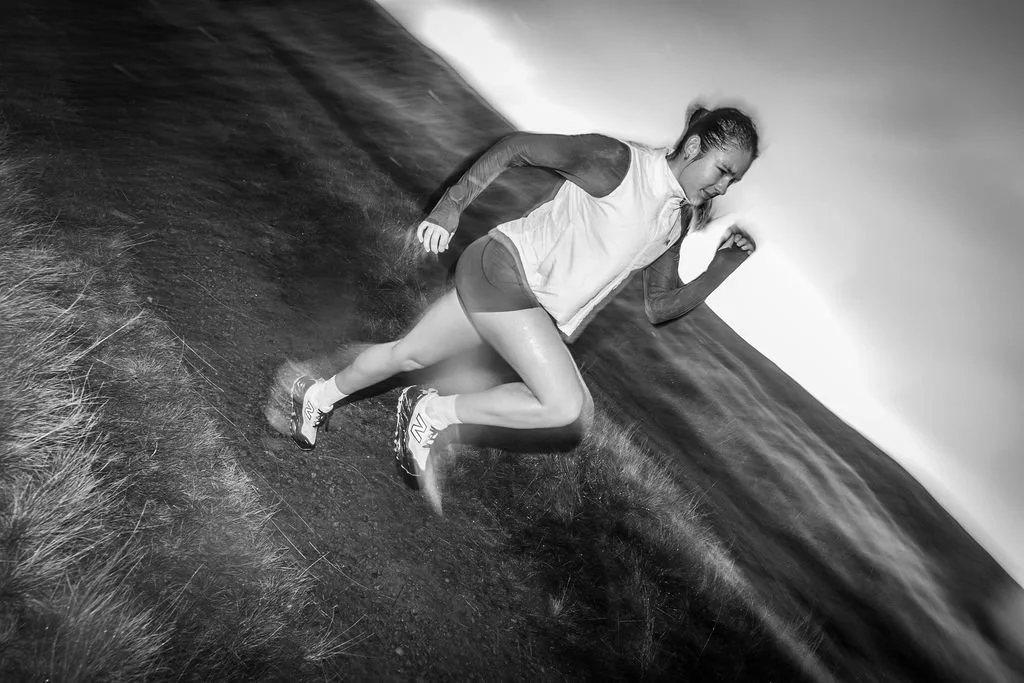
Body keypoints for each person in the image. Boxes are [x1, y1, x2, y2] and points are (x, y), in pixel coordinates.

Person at [288, 103, 760, 505]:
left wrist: (721, 267)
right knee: (568, 407)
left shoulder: (674, 221)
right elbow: (516, 147)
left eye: (733, 181)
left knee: (407, 355)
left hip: (522, 303)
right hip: (502, 269)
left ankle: (318, 396)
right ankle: (432, 413)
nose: (722, 188)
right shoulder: (618, 162)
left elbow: (661, 305)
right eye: (722, 170)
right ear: (694, 147)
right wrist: (450, 207)